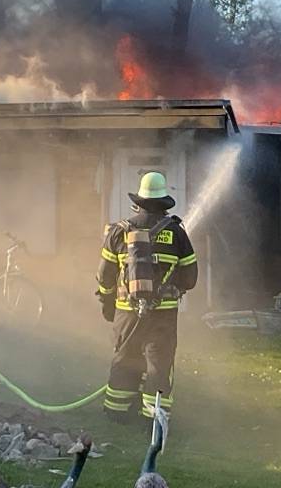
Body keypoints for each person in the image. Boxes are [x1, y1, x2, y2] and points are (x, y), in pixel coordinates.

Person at [95, 171, 198, 423]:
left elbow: (104, 276)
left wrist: (108, 305)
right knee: (159, 364)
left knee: (125, 358)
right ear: (163, 202)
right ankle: (154, 418)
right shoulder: (176, 232)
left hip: (126, 312)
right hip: (163, 313)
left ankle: (117, 412)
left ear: (139, 200)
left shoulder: (119, 231)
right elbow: (190, 279)